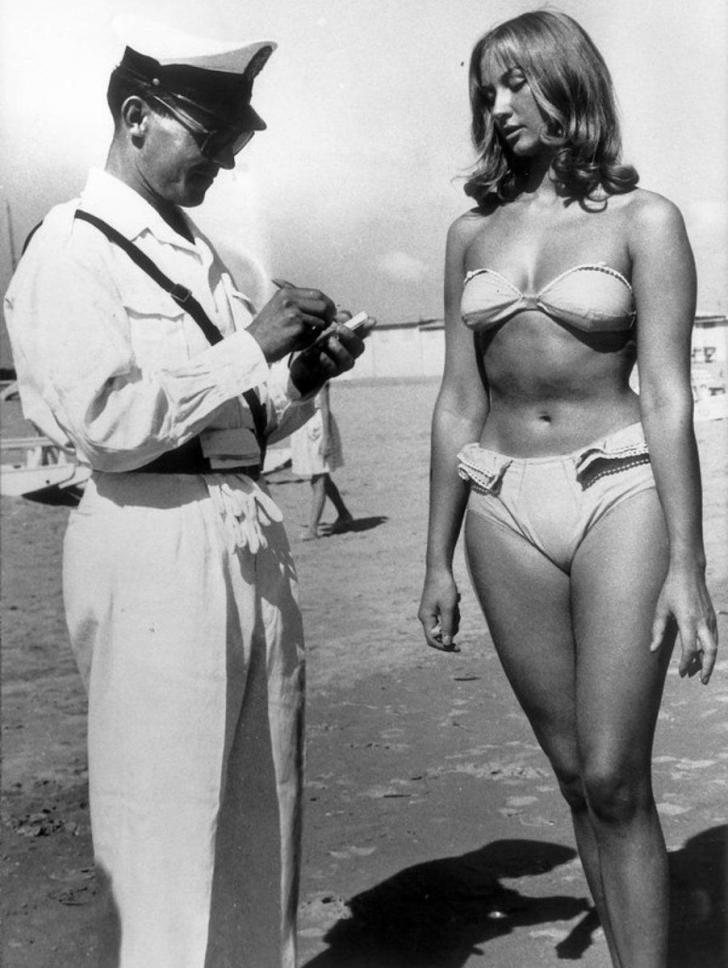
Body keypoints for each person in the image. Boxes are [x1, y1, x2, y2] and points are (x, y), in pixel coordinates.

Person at [4, 16, 369, 968]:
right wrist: (254, 344)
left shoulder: (198, 250)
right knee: (163, 828)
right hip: (150, 541)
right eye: (211, 145)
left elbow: (232, 432)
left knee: (263, 807)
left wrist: (301, 376)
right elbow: (113, 430)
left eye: (234, 150)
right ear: (136, 118)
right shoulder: (69, 249)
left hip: (242, 531)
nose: (224, 168)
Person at [418, 11, 718, 968]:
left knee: (616, 775)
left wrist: (690, 565)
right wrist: (435, 557)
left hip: (619, 493)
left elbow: (669, 396)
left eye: (514, 84)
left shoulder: (646, 221)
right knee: (573, 780)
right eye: (485, 90)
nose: (496, 107)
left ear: (567, 84)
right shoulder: (472, 232)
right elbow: (457, 403)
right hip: (501, 508)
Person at [289, 310, 354, 540]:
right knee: (320, 476)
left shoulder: (322, 365)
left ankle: (312, 528)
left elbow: (324, 406)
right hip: (305, 424)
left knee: (319, 479)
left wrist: (326, 437)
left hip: (318, 425)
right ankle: (344, 514)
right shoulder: (306, 359)